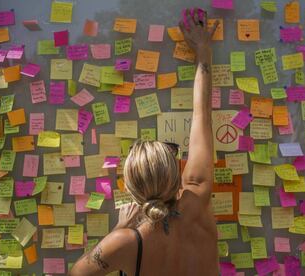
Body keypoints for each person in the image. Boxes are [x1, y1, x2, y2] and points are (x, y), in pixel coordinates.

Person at [70, 8, 220, 276]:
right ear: (175, 175)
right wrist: (203, 52)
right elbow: (202, 117)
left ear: (130, 188)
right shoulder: (197, 198)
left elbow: (77, 274)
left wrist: (119, 229)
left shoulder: (126, 241)